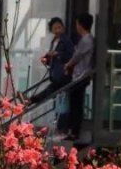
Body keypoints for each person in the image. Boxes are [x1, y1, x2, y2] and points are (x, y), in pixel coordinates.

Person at [63, 13, 95, 141]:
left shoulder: (86, 40)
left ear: (80, 25)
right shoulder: (88, 39)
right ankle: (73, 130)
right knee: (76, 103)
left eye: (77, 24)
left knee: (76, 104)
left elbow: (77, 56)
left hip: (80, 76)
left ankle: (74, 131)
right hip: (80, 75)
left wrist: (68, 65)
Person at [29, 16, 74, 106]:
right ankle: (32, 100)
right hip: (55, 73)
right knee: (51, 91)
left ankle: (32, 100)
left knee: (50, 90)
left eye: (59, 27)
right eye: (55, 28)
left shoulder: (66, 41)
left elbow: (70, 56)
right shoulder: (53, 41)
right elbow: (53, 59)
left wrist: (57, 54)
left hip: (63, 74)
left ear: (63, 28)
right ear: (52, 30)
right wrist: (47, 60)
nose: (57, 30)